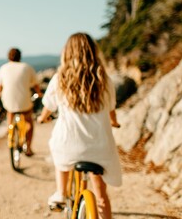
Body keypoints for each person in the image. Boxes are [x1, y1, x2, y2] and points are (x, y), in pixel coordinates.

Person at [37, 33, 122, 219]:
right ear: (93, 52)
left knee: (59, 148)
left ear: (67, 53)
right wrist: (114, 122)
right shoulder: (104, 79)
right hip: (99, 149)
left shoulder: (60, 78)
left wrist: (42, 118)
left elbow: (48, 108)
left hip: (69, 148)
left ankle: (61, 192)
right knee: (101, 197)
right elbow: (111, 110)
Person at [0, 48, 43, 156]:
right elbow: (36, 84)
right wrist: (39, 93)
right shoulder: (27, 67)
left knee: (10, 112)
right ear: (20, 56)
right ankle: (28, 148)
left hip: (8, 101)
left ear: (8, 57)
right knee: (29, 122)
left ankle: (10, 134)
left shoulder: (3, 68)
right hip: (24, 101)